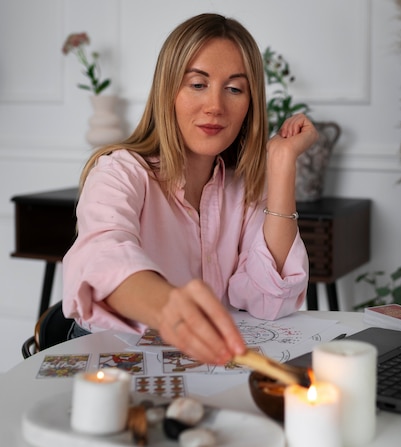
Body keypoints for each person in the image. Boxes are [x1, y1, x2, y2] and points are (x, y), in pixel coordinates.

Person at [62, 13, 317, 366]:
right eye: (197, 84)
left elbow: (268, 299)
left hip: (198, 366)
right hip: (109, 359)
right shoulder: (119, 171)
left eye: (234, 89)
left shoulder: (242, 187)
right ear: (169, 90)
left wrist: (282, 164)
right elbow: (101, 256)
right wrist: (169, 308)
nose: (215, 105)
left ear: (250, 103)